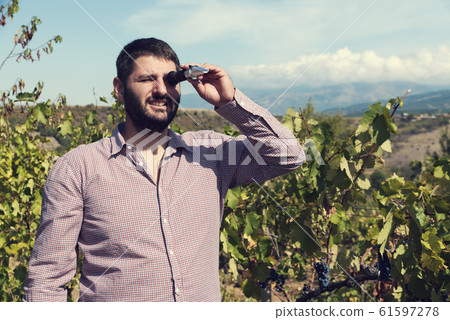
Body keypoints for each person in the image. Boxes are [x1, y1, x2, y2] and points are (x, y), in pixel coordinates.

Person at [24, 38, 305, 301]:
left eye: (171, 80)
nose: (161, 89)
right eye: (147, 79)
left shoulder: (211, 153)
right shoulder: (78, 168)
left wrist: (228, 102)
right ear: (119, 89)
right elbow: (46, 281)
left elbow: (289, 155)